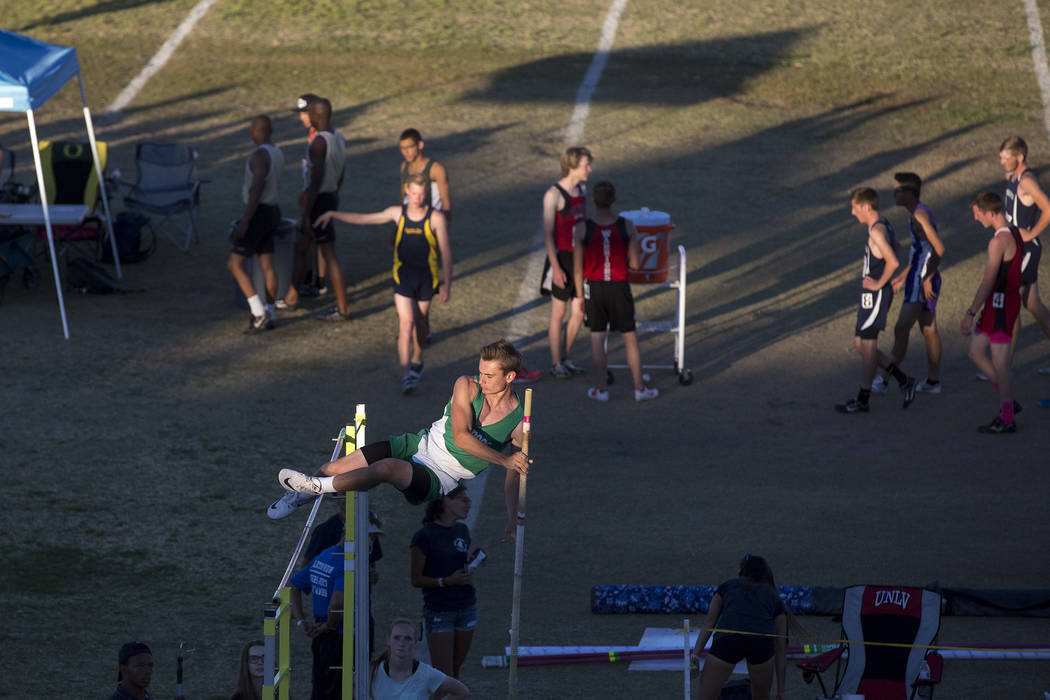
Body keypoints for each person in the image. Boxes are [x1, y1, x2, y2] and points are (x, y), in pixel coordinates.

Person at [277, 339, 530, 539]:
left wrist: (511, 516)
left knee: (386, 468)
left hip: (439, 476)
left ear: (509, 377)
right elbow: (462, 438)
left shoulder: (519, 423)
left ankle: (318, 486)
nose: (481, 380)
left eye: (489, 376)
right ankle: (300, 495)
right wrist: (504, 459)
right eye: (480, 372)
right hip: (418, 444)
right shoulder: (466, 384)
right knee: (334, 468)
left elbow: (514, 474)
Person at [314, 173, 452, 393]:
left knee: (420, 323)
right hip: (402, 277)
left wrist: (447, 285)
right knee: (406, 324)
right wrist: (333, 214)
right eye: (414, 193)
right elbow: (366, 218)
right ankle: (407, 375)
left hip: (427, 279)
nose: (417, 198)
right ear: (407, 192)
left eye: (421, 193)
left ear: (426, 193)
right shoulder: (397, 213)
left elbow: (445, 252)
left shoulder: (435, 218)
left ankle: (417, 359)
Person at [573, 180, 659, 402]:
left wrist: (580, 296)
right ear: (613, 200)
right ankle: (640, 388)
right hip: (619, 287)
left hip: (594, 288)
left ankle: (601, 389)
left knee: (597, 338)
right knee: (629, 338)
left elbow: (577, 268)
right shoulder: (627, 226)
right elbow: (636, 264)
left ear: (593, 200)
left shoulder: (583, 228)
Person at [835, 187, 917, 413]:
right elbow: (897, 247)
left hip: (876, 295)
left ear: (866, 207)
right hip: (870, 296)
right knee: (860, 345)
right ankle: (904, 380)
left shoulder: (876, 232)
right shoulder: (883, 224)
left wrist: (879, 284)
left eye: (855, 207)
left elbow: (893, 260)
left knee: (868, 346)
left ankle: (863, 400)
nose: (852, 212)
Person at [871, 173, 945, 393]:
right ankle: (933, 382)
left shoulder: (919, 216)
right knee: (929, 328)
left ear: (909, 193)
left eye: (897, 191)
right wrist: (904, 275)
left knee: (901, 327)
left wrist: (927, 278)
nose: (894, 194)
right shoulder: (917, 213)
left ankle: (885, 378)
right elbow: (923, 251)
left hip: (922, 282)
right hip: (920, 277)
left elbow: (939, 249)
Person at [279, 98, 351, 321]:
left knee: (329, 254)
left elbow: (317, 179)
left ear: (318, 116)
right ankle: (291, 295)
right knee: (302, 246)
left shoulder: (319, 142)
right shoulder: (338, 138)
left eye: (308, 112)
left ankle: (343, 309)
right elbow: (341, 172)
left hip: (319, 201)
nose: (305, 116)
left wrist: (305, 212)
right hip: (330, 197)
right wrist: (334, 193)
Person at [962, 192, 1025, 433]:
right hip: (998, 304)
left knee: (1000, 362)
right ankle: (1008, 401)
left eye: (978, 215)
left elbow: (989, 280)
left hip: (1001, 305)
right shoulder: (1015, 233)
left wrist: (970, 312)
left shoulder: (997, 242)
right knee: (976, 351)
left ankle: (1007, 418)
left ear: (991, 212)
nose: (977, 219)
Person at [410, 486, 483, 679]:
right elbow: (416, 579)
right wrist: (446, 581)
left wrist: (472, 564)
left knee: (456, 670)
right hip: (440, 611)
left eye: (467, 498)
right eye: (461, 499)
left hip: (467, 606)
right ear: (444, 502)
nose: (468, 503)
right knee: (443, 675)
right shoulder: (423, 536)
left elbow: (456, 565)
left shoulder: (462, 530)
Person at [690, 555, 787, 700]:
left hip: (729, 639)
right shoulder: (775, 598)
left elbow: (709, 623)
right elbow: (780, 650)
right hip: (760, 643)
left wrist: (695, 655)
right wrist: (781, 692)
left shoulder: (727, 586)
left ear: (741, 570)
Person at [227, 115, 284, 335]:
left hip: (258, 214)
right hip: (272, 212)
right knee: (267, 265)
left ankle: (258, 313)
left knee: (234, 263)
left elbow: (256, 189)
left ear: (255, 130)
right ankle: (271, 313)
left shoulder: (260, 155)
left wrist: (245, 221)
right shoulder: (276, 151)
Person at [999, 136, 1050, 375]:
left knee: (1012, 304)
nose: (1002, 162)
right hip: (1015, 248)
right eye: (1001, 157)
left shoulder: (1027, 181)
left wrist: (1031, 234)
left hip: (1026, 250)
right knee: (1033, 304)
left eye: (1006, 157)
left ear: (1019, 157)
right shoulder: (1011, 177)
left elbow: (1048, 209)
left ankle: (1004, 365)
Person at [541, 146, 591, 378]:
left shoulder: (581, 189)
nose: (589, 169)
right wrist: (556, 267)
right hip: (561, 258)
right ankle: (555, 363)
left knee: (579, 311)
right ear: (572, 167)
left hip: (581, 259)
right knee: (559, 311)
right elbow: (548, 234)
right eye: (585, 165)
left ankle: (565, 357)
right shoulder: (553, 195)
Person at [289, 538, 346, 699]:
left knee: (319, 688)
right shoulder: (346, 563)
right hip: (340, 636)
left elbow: (292, 586)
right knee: (337, 691)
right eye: (370, 538)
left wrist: (301, 621)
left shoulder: (324, 555)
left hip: (320, 635)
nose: (372, 543)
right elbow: (336, 602)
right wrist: (330, 625)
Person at [370, 618, 469, 699]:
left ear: (415, 643)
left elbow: (461, 691)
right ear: (388, 640)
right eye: (396, 637)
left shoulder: (425, 673)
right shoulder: (372, 671)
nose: (402, 643)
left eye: (408, 638)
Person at [294, 93, 329, 298]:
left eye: (305, 113)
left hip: (318, 195)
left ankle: (317, 282)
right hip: (313, 193)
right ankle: (313, 279)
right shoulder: (313, 133)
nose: (301, 118)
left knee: (316, 239)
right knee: (314, 239)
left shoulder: (320, 137)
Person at [110, 641, 185, 700]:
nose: (148, 671)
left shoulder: (146, 696)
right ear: (123, 668)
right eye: (140, 666)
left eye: (150, 665)